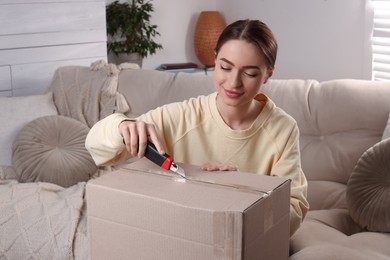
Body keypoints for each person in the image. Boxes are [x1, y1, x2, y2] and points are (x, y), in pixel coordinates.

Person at [86, 19, 309, 236]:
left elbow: (293, 209)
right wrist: (121, 125)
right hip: (180, 237)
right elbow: (96, 147)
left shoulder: (282, 129)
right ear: (214, 60)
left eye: (250, 73)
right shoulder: (179, 117)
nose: (233, 82)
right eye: (225, 67)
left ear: (268, 74)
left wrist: (242, 192)